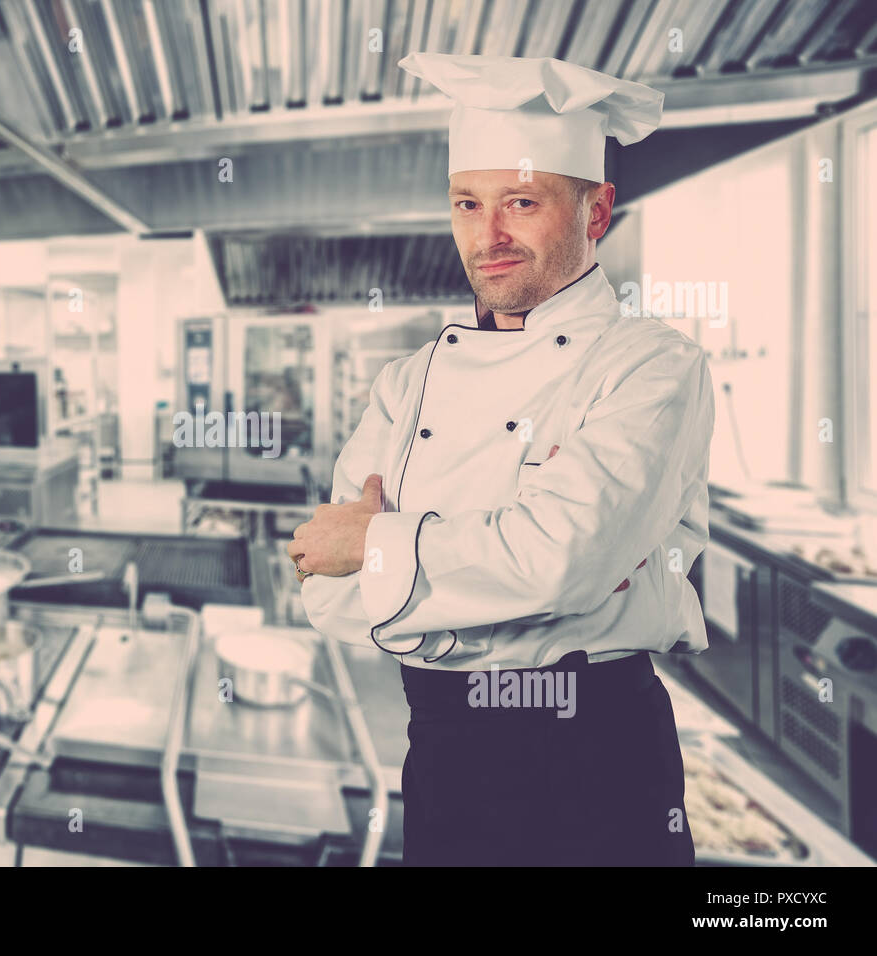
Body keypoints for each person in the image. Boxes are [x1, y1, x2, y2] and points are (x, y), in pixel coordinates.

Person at [288, 53, 715, 866]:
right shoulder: (406, 382)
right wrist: (498, 565)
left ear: (597, 211)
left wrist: (380, 550)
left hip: (592, 754)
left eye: (522, 202)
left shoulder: (651, 367)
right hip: (444, 755)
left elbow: (557, 561)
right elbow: (328, 597)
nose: (488, 237)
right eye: (467, 204)